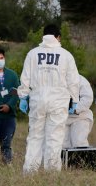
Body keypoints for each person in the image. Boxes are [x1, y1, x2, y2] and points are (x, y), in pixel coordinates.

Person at [17, 24, 79, 173]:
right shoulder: (66, 55)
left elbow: (25, 77)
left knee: (35, 136)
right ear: (58, 37)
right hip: (58, 100)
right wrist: (74, 99)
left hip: (38, 99)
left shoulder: (33, 53)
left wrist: (23, 96)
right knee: (55, 137)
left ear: (43, 36)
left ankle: (30, 171)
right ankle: (52, 173)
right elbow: (73, 80)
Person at [63, 74, 94, 148]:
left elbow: (88, 98)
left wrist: (75, 109)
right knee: (63, 145)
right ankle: (65, 160)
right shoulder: (57, 81)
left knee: (79, 143)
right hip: (63, 118)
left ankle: (81, 160)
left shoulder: (80, 80)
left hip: (81, 117)